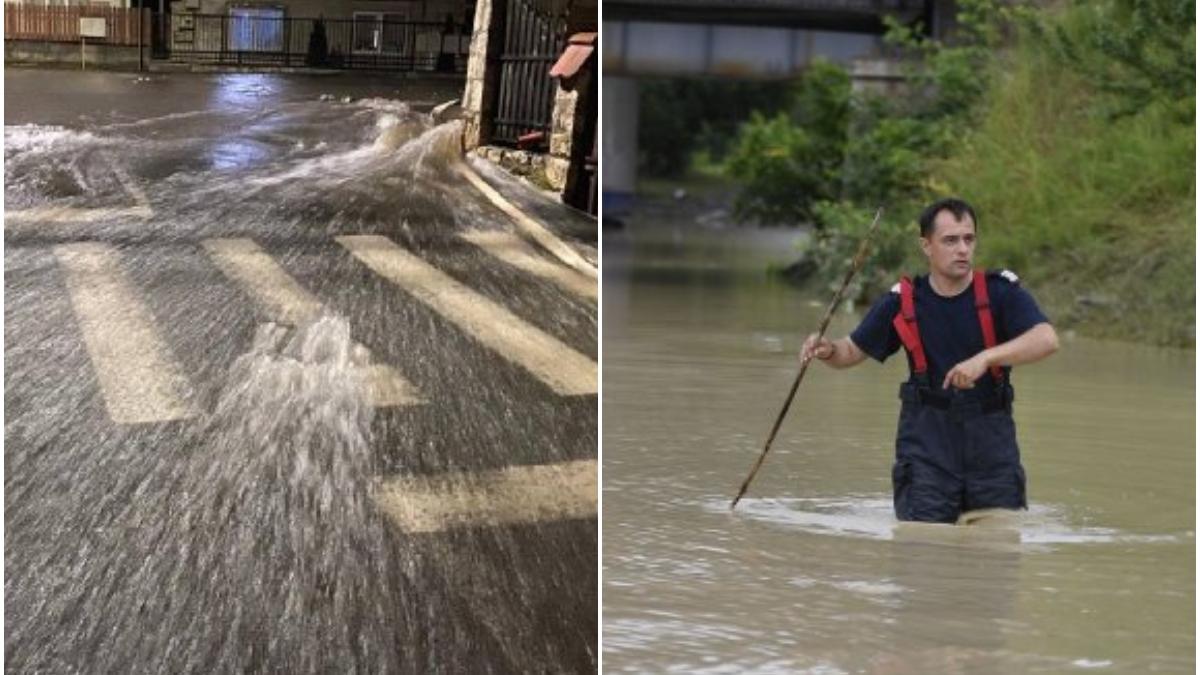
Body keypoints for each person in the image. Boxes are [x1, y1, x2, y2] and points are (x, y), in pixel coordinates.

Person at [801, 198, 1059, 524]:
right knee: (923, 554)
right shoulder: (901, 301)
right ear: (927, 245)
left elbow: (1047, 339)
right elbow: (849, 352)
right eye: (950, 240)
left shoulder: (1001, 293)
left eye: (969, 239)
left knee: (997, 560)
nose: (962, 249)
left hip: (992, 453)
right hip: (926, 453)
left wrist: (985, 359)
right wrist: (826, 349)